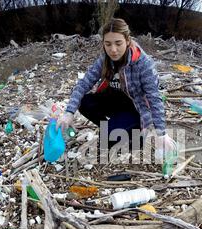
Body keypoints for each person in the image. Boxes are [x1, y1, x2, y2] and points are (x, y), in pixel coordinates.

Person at [56, 18, 176, 157]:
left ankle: (136, 133)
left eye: (118, 43)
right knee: (84, 102)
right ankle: (113, 127)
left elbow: (154, 98)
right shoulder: (105, 59)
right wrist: (69, 112)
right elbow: (84, 83)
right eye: (108, 44)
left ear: (127, 40)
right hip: (115, 101)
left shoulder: (143, 64)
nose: (113, 50)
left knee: (106, 140)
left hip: (136, 108)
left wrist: (161, 133)